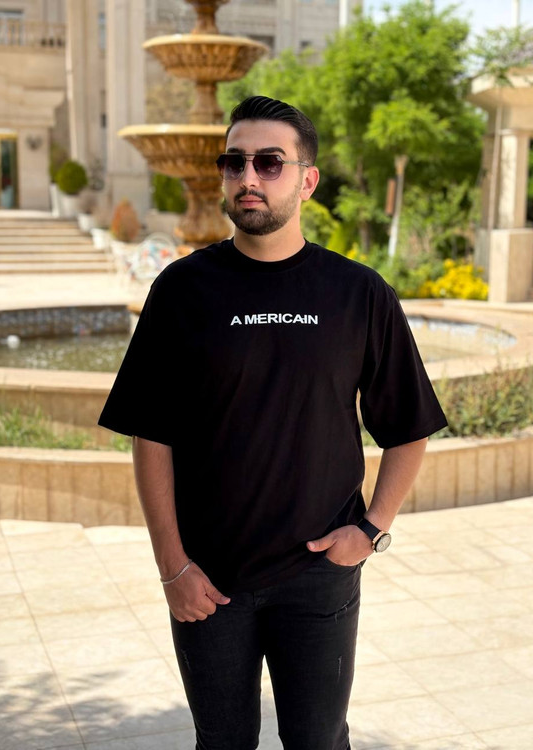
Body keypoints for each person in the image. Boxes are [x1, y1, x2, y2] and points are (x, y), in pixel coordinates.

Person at [98, 95, 447, 750]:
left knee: (319, 741)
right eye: (234, 162)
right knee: (222, 742)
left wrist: (371, 530)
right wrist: (172, 566)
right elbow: (151, 433)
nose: (248, 177)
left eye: (269, 162)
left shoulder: (358, 293)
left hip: (318, 577)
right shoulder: (182, 290)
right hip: (208, 577)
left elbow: (408, 425)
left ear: (307, 180)